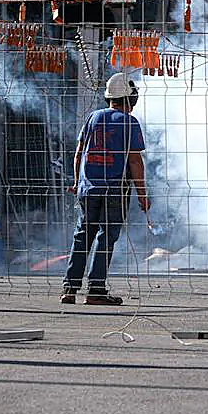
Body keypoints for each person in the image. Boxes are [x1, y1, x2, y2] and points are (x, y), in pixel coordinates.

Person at [61, 73, 150, 305]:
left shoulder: (93, 117)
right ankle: (96, 290)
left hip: (87, 188)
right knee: (105, 237)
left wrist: (76, 181)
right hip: (115, 189)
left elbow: (79, 153)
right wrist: (142, 195)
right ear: (130, 99)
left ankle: (69, 289)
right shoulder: (129, 123)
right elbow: (135, 162)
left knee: (82, 235)